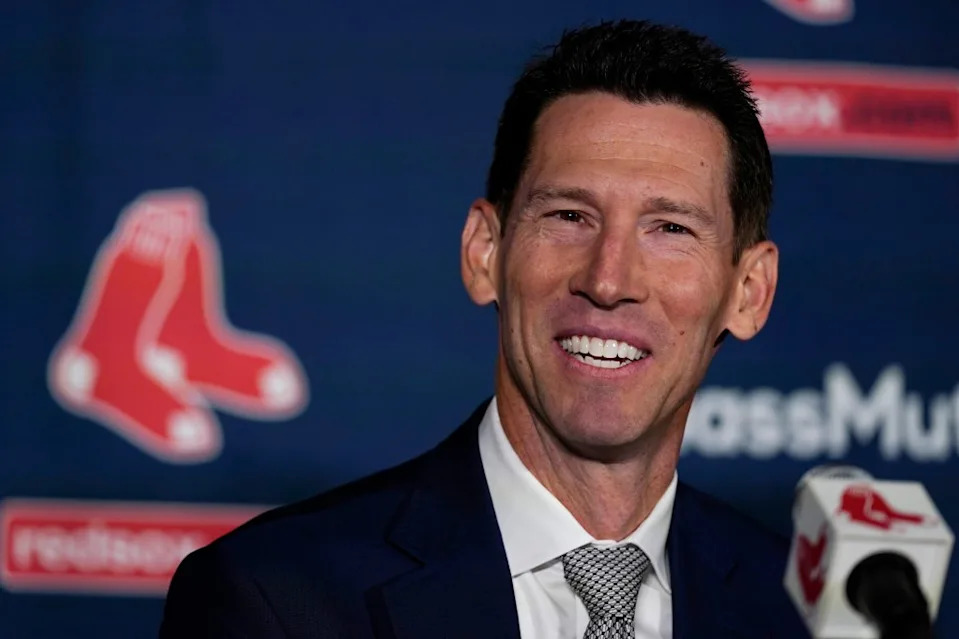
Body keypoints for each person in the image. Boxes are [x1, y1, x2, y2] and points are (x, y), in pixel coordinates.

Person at [160, 20, 808, 638]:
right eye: (568, 215)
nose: (609, 280)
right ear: (484, 252)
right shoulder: (279, 601)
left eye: (670, 229)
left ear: (748, 292)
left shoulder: (808, 616)